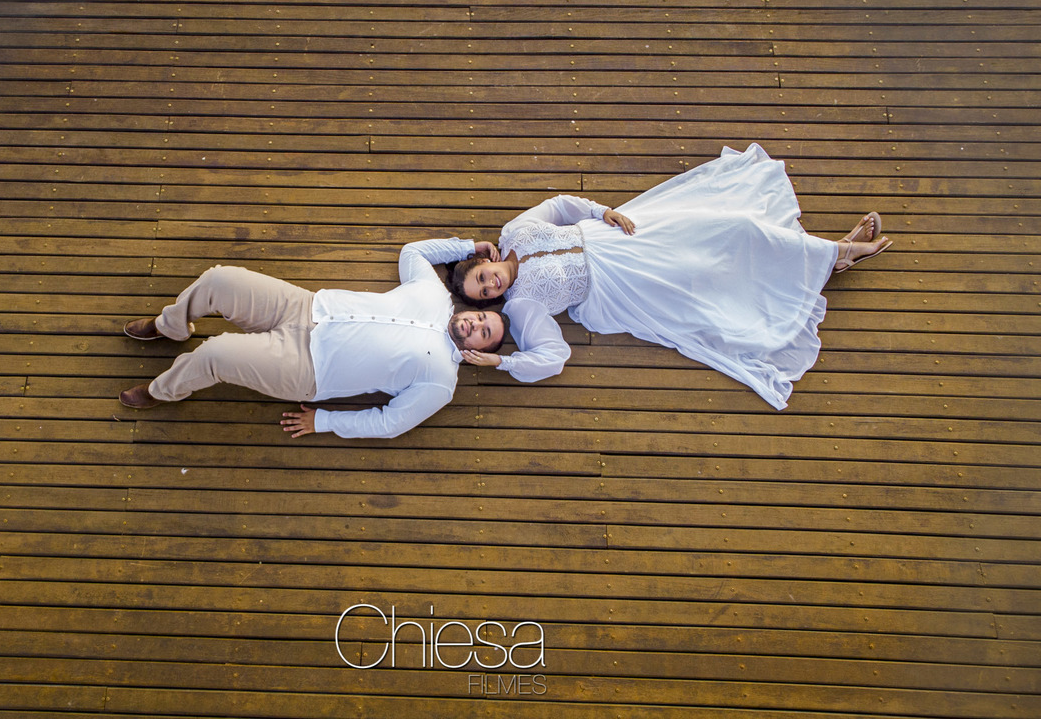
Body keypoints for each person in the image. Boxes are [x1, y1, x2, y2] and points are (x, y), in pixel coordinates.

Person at [444, 143, 892, 410]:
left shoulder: (514, 231)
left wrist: (602, 210)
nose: (490, 286)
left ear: (484, 260)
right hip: (619, 282)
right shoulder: (522, 306)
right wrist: (503, 362)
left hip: (622, 233)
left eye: (481, 277)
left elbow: (559, 206)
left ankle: (826, 254)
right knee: (710, 274)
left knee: (731, 226)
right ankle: (837, 253)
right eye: (482, 294)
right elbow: (553, 356)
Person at [118, 238, 505, 439]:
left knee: (215, 353)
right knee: (220, 279)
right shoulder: (435, 295)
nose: (476, 324)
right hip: (304, 305)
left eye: (484, 333)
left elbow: (391, 422)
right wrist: (466, 247)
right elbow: (413, 252)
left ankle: (161, 391)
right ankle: (170, 326)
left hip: (307, 367)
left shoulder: (441, 381)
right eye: (482, 316)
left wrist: (325, 421)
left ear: (477, 353)